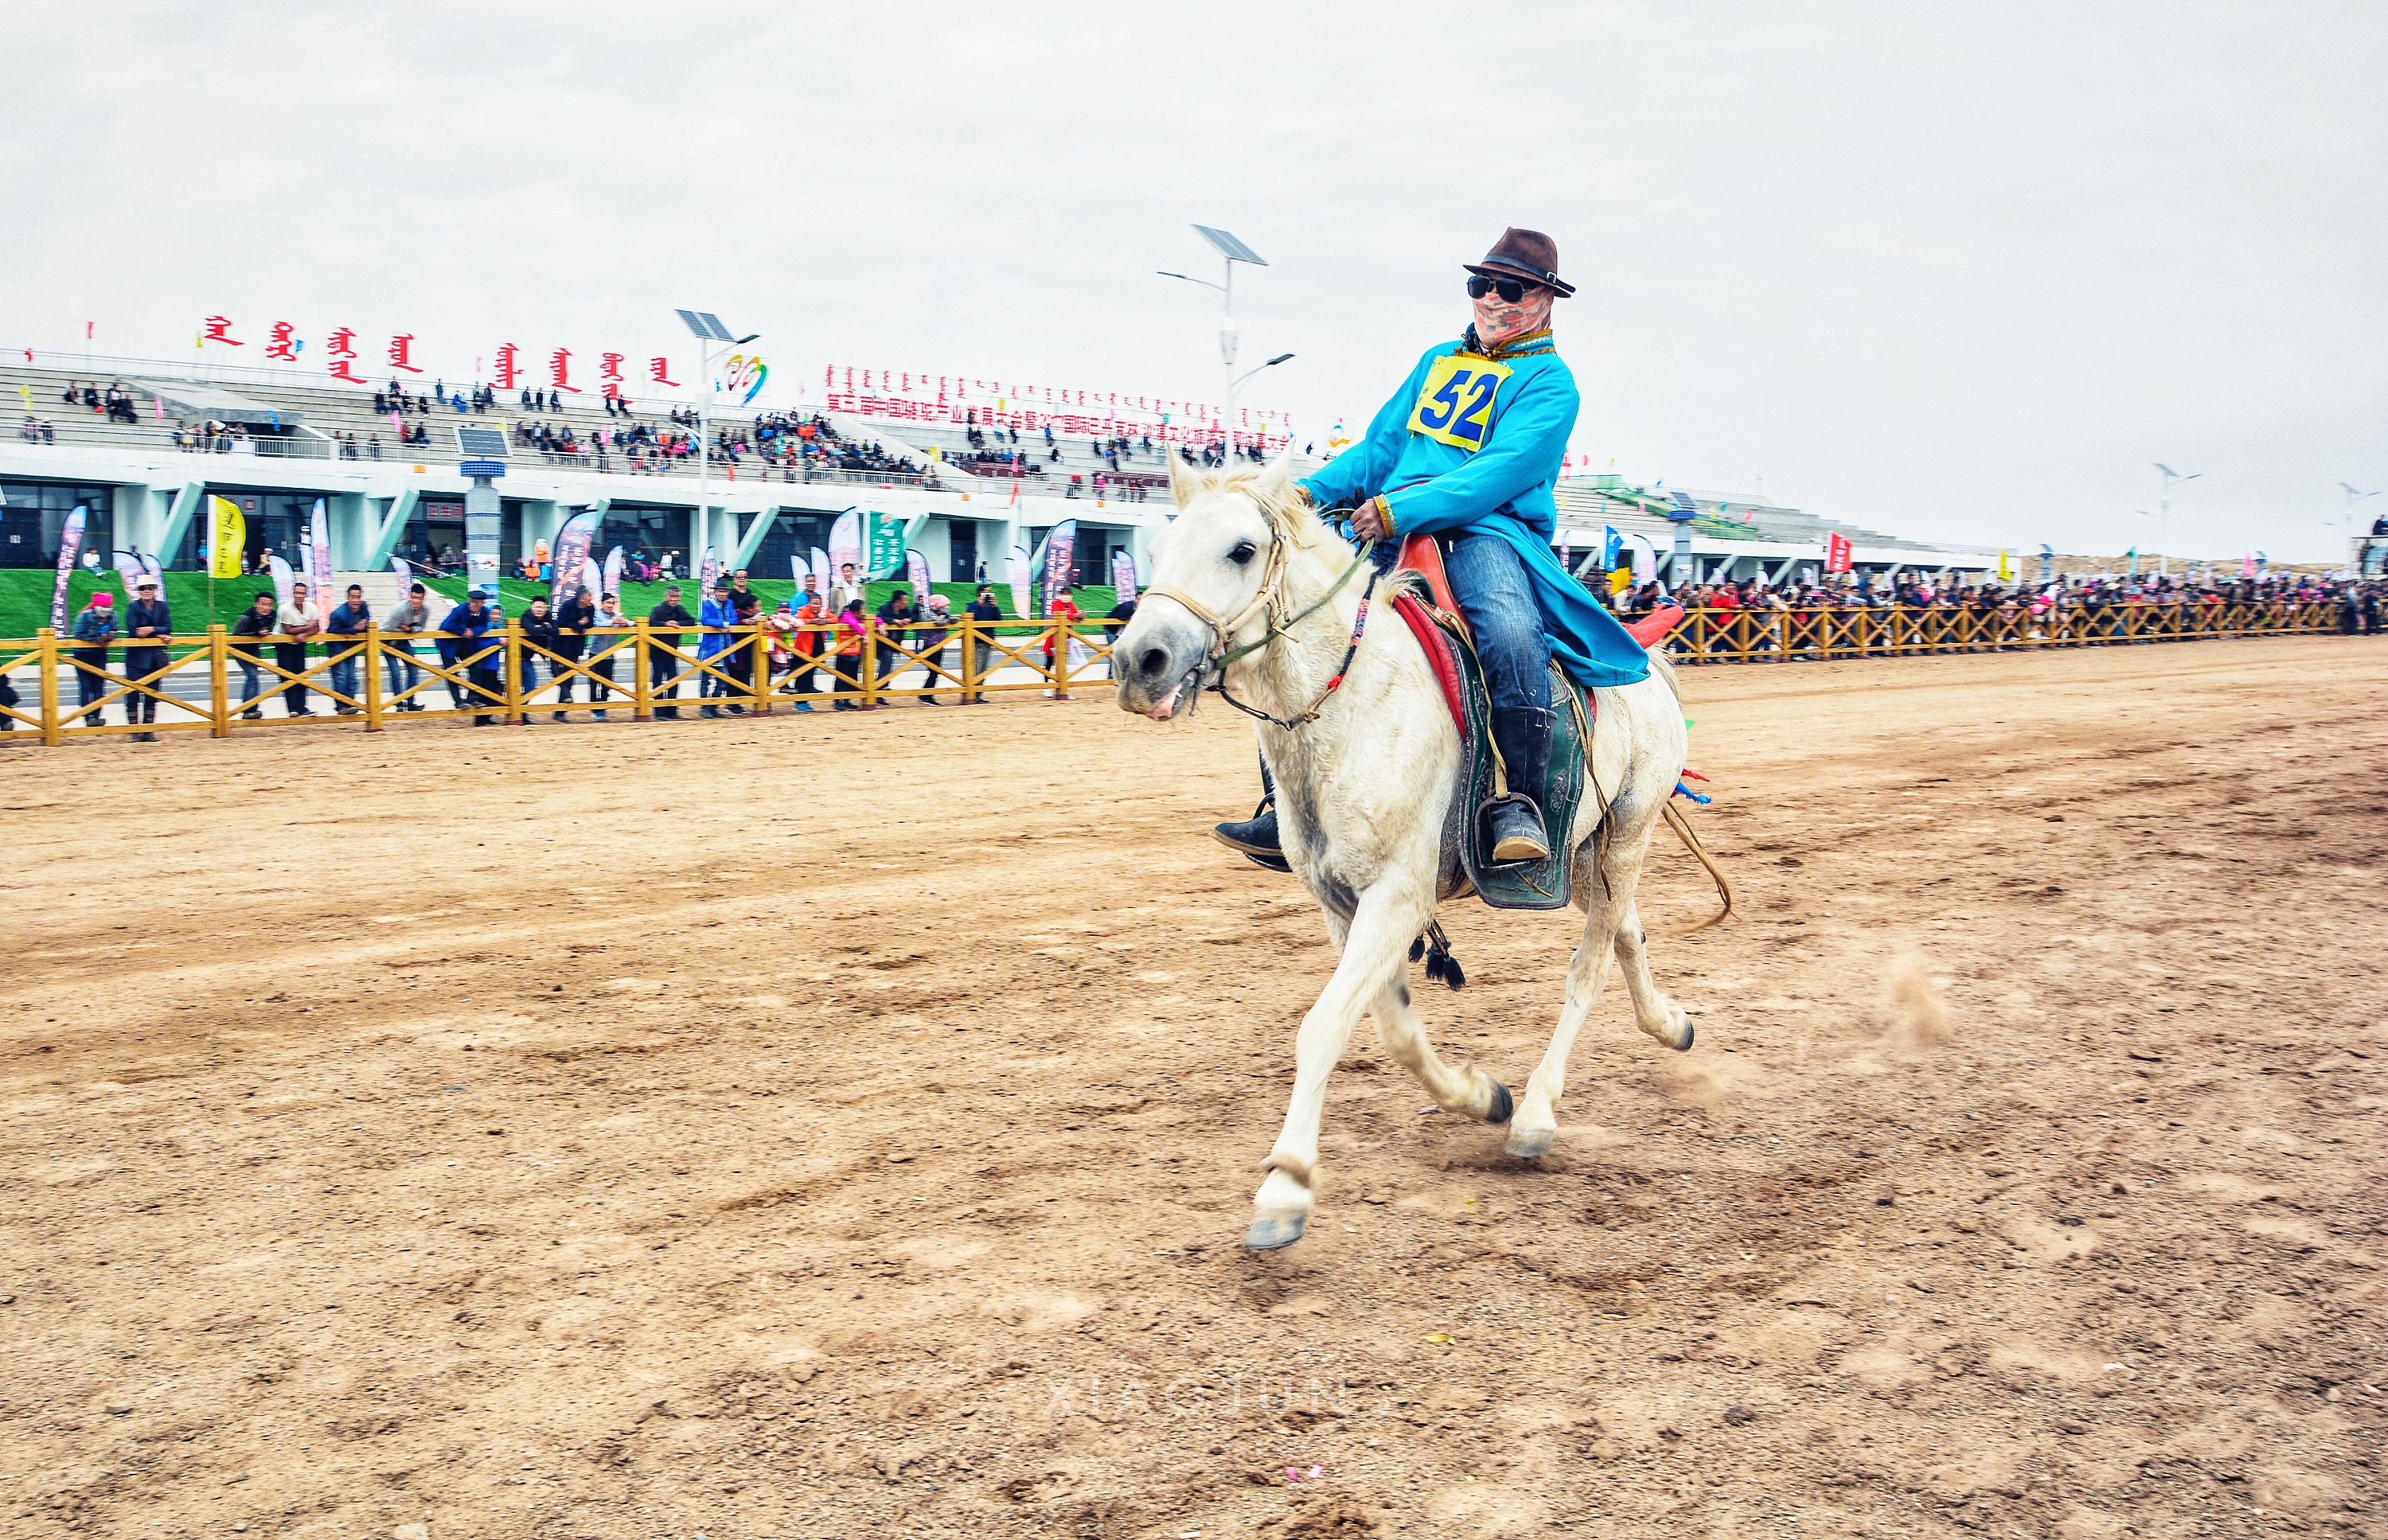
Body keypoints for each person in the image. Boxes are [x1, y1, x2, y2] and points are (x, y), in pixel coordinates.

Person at [1211, 228, 1649, 867]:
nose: (1494, 299)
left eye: (1512, 288)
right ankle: (1286, 807)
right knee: (1300, 630)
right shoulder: (1438, 359)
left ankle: (1520, 804)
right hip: (1392, 527)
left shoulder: (1552, 383)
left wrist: (1398, 508)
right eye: (1482, 285)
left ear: (1546, 301)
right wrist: (1308, 493)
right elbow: (1381, 449)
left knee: (1508, 631)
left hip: (1487, 533)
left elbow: (1496, 474)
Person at [439, 586, 504, 725]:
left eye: (476, 602)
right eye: (471, 601)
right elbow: (446, 625)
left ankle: (472, 698)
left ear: (482, 603)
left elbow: (483, 626)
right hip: (447, 644)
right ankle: (458, 701)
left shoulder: (485, 612)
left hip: (463, 644)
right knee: (452, 673)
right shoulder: (460, 609)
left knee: (477, 666)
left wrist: (473, 632)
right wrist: (463, 631)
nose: (473, 604)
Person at [123, 577, 172, 741]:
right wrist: (158, 633)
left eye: (149, 587)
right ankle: (135, 732)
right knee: (133, 694)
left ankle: (149, 730)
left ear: (154, 589)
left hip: (155, 658)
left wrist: (151, 629)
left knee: (152, 694)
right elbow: (133, 630)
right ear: (138, 590)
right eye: (143, 588)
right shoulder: (133, 607)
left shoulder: (162, 606)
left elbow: (169, 627)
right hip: (136, 658)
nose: (146, 590)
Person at [70, 590, 118, 729]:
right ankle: (88, 716)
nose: (105, 612)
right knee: (86, 687)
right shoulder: (84, 616)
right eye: (103, 609)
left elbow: (116, 630)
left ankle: (96, 717)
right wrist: (97, 639)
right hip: (82, 654)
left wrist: (110, 637)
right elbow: (78, 635)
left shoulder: (114, 616)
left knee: (99, 687)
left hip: (99, 654)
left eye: (108, 609)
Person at [647, 583, 694, 719]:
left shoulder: (680, 609)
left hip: (672, 651)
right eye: (672, 597)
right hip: (657, 651)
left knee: (674, 679)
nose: (674, 600)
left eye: (677, 597)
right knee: (658, 679)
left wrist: (679, 624)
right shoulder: (658, 609)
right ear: (666, 596)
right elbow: (651, 622)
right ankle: (660, 712)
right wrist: (665, 624)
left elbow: (691, 620)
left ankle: (672, 711)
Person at [277, 581, 324, 717]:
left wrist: (304, 633)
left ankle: (302, 707)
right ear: (293, 594)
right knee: (287, 676)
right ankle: (293, 709)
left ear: (306, 595)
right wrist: (307, 627)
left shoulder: (312, 608)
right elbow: (288, 630)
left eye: (302, 593)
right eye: (297, 593)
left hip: (300, 644)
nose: (299, 596)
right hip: (283, 644)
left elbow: (317, 627)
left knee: (302, 675)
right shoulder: (285, 609)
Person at [384, 581, 432, 712]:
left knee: (413, 670)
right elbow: (387, 628)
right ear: (410, 596)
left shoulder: (426, 610)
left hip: (404, 641)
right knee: (396, 673)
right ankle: (399, 703)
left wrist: (409, 629)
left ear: (424, 598)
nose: (417, 601)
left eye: (420, 598)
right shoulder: (399, 609)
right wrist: (405, 630)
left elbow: (421, 627)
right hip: (387, 641)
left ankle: (410, 702)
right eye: (414, 597)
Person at [551, 586, 595, 721]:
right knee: (556, 671)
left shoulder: (590, 608)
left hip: (575, 646)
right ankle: (565, 694)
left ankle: (560, 712)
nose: (591, 599)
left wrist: (584, 625)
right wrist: (578, 625)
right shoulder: (568, 605)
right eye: (589, 597)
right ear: (582, 598)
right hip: (559, 644)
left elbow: (591, 623)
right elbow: (562, 622)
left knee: (570, 675)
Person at [325, 583, 370, 715]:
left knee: (351, 676)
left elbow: (367, 616)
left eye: (358, 597)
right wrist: (353, 629)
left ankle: (350, 703)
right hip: (336, 647)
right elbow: (333, 631)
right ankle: (341, 706)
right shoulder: (338, 614)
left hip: (352, 647)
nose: (356, 600)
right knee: (341, 676)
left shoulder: (364, 606)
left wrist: (365, 622)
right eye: (353, 597)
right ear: (348, 598)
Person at [230, 591, 276, 719]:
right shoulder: (246, 617)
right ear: (256, 604)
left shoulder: (272, 615)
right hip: (239, 650)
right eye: (263, 604)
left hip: (254, 649)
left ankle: (252, 708)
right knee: (252, 676)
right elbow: (235, 635)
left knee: (254, 677)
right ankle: (247, 709)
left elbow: (269, 629)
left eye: (269, 605)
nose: (266, 608)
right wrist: (256, 633)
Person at [697, 577, 738, 718]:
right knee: (705, 680)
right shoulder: (708, 604)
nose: (722, 594)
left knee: (723, 680)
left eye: (725, 592)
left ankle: (713, 706)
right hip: (709, 648)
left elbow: (735, 619)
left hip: (725, 648)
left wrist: (722, 623)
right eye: (720, 591)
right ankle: (704, 707)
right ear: (715, 592)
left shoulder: (730, 603)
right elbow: (705, 620)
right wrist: (724, 625)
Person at [873, 587, 923, 700]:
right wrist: (895, 621)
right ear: (897, 602)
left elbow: (915, 616)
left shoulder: (905, 611)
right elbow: (879, 617)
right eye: (904, 601)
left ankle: (882, 687)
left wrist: (908, 620)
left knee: (888, 664)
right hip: (882, 642)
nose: (906, 603)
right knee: (887, 660)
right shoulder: (885, 608)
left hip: (895, 643)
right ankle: (878, 689)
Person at [589, 591, 629, 720]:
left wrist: (624, 623)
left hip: (610, 656)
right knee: (594, 685)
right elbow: (595, 625)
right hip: (596, 654)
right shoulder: (596, 614)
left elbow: (632, 623)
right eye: (608, 603)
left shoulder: (616, 615)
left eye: (613, 603)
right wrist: (612, 622)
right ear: (602, 604)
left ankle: (603, 710)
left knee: (607, 684)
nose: (610, 606)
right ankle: (595, 711)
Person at [519, 595, 558, 723]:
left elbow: (556, 632)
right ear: (532, 607)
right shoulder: (526, 617)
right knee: (520, 686)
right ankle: (518, 712)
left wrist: (542, 627)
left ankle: (521, 711)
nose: (539, 609)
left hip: (529, 657)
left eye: (542, 607)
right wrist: (545, 627)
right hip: (518, 657)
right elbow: (533, 631)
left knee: (530, 685)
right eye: (537, 607)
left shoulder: (548, 616)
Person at [965, 584, 1002, 704]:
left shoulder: (991, 606)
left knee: (984, 668)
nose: (988, 595)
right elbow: (971, 617)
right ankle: (972, 693)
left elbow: (998, 618)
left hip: (988, 640)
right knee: (976, 668)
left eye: (990, 593)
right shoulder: (972, 605)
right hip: (977, 640)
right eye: (986, 592)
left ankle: (979, 694)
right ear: (980, 593)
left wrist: (995, 607)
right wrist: (980, 606)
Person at [914, 594, 954, 703]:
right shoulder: (929, 615)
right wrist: (945, 619)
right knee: (934, 671)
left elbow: (955, 619)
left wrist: (946, 617)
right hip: (930, 646)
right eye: (944, 606)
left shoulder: (944, 615)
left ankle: (927, 694)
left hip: (939, 646)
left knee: (935, 671)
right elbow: (939, 622)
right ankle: (926, 695)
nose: (947, 608)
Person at [1044, 585, 1081, 700]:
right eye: (1064, 594)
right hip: (1054, 637)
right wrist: (1073, 615)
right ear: (1060, 595)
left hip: (1067, 637)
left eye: (1068, 594)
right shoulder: (1056, 603)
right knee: (1049, 663)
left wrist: (1079, 616)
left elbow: (1074, 614)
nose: (1067, 597)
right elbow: (1059, 614)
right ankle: (1046, 686)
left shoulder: (1071, 605)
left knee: (1063, 664)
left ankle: (1063, 688)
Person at [832, 596, 867, 710]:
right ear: (856, 611)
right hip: (844, 652)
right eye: (862, 609)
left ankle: (847, 700)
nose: (864, 612)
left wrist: (879, 623)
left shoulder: (860, 618)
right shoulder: (847, 617)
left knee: (852, 677)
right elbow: (854, 624)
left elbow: (876, 619)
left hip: (855, 652)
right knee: (841, 677)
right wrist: (864, 633)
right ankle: (837, 701)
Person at [1102, 589, 1137, 679]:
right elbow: (1118, 616)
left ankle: (1120, 676)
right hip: (1111, 629)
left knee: (1122, 653)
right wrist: (1129, 617)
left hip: (1121, 632)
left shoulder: (1140, 609)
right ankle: (1111, 676)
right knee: (1113, 652)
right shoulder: (1127, 607)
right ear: (1135, 600)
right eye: (1139, 600)